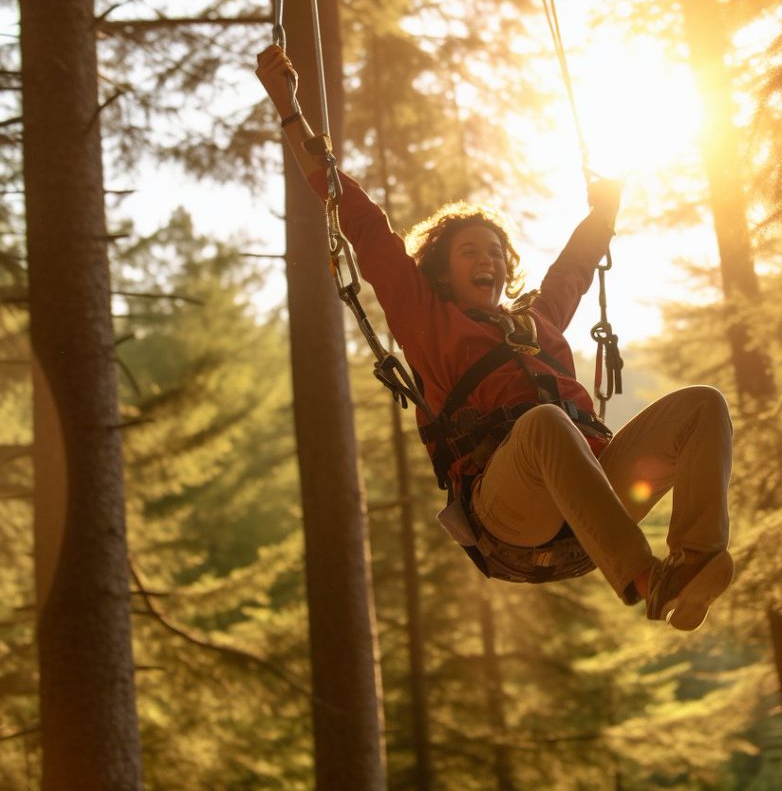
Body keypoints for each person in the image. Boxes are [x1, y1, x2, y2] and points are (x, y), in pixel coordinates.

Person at [256, 45, 735, 630]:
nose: (488, 261)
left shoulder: (537, 322)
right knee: (543, 425)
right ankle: (645, 579)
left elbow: (575, 266)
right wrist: (289, 109)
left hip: (594, 500)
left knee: (702, 406)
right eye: (470, 252)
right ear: (441, 269)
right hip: (510, 518)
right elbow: (359, 218)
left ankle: (690, 562)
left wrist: (606, 208)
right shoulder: (424, 318)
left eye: (495, 254)